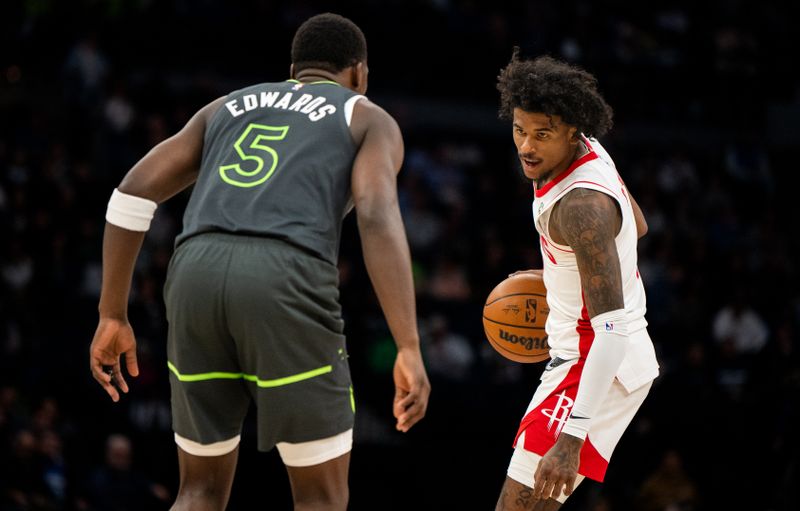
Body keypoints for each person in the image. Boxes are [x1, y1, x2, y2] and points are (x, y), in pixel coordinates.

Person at [88, 13, 430, 511]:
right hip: (285, 273)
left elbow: (130, 194)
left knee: (198, 490)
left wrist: (112, 314)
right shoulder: (365, 114)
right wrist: (409, 344)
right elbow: (376, 213)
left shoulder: (227, 105)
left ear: (293, 70)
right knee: (321, 498)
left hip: (193, 272)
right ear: (358, 73)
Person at [493, 50, 659, 510]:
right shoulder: (586, 149)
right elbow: (637, 225)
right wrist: (566, 273)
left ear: (571, 132)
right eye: (519, 130)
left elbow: (611, 329)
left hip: (597, 360)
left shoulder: (582, 206)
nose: (527, 146)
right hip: (590, 355)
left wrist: (571, 439)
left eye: (541, 135)